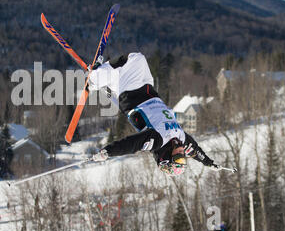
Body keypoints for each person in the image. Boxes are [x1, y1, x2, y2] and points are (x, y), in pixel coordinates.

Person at [88, 52, 221, 176]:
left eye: (179, 158)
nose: (183, 155)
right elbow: (196, 151)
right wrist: (209, 163)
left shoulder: (157, 140)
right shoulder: (181, 140)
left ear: (168, 156)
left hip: (133, 96)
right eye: (183, 159)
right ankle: (105, 79)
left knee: (136, 58)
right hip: (148, 91)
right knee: (134, 65)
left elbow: (131, 145)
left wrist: (108, 152)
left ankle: (95, 78)